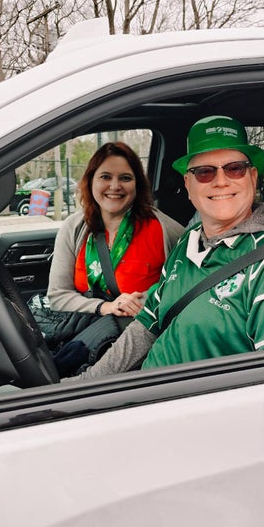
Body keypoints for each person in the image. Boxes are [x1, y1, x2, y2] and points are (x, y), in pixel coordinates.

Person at [76, 116, 264, 380]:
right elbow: (147, 326)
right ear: (188, 185)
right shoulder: (188, 243)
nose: (220, 181)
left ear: (252, 177)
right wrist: (85, 385)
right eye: (204, 172)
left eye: (235, 168)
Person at [43, 141, 183, 370]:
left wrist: (142, 300)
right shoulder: (74, 228)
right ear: (90, 181)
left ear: (137, 184)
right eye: (105, 177)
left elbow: (186, 283)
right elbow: (57, 296)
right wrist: (105, 307)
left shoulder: (165, 229)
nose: (115, 186)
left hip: (136, 341)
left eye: (125, 178)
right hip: (85, 333)